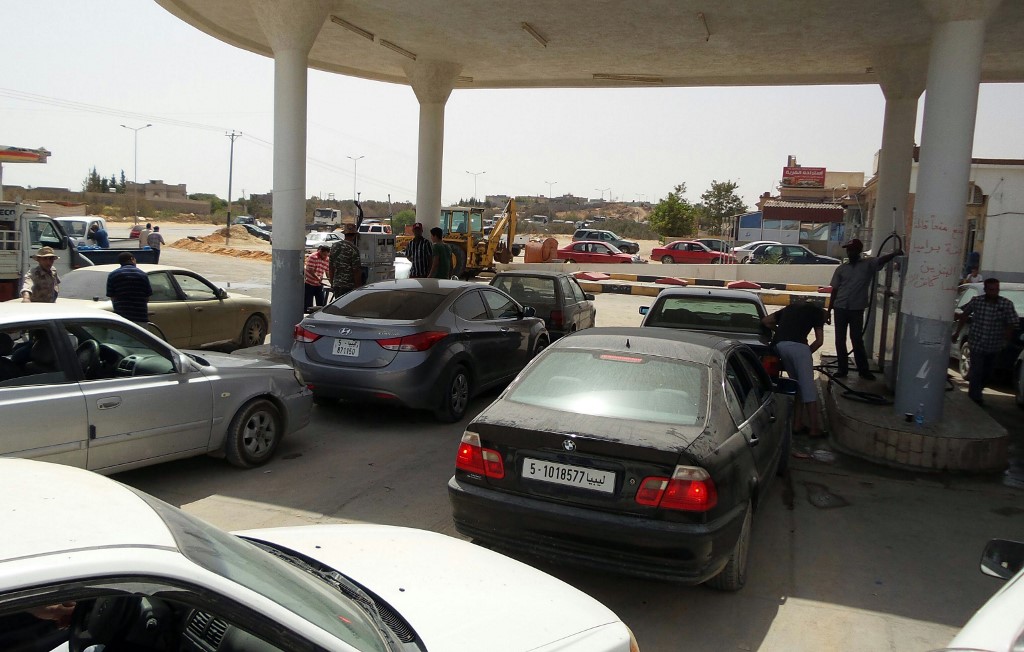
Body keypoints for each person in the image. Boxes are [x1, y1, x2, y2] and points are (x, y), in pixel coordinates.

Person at [828, 238, 903, 379]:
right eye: (848, 250)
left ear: (859, 251)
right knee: (840, 340)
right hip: (840, 308)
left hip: (857, 309)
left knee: (856, 339)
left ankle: (863, 370)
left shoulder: (868, 265)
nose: (850, 253)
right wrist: (829, 310)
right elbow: (835, 290)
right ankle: (842, 369)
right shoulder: (841, 269)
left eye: (853, 250)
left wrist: (894, 254)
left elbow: (881, 260)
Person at [762, 301, 828, 438]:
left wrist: (780, 332)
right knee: (808, 388)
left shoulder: (790, 308)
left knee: (798, 385)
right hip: (799, 348)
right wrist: (807, 353)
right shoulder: (818, 313)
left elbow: (766, 321)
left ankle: (797, 424)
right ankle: (815, 429)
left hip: (780, 345)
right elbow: (819, 341)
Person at [952, 277, 1019, 405]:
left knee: (988, 372)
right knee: (976, 370)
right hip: (977, 342)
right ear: (986, 290)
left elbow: (1012, 322)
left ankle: (979, 389)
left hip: (994, 344)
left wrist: (1006, 339)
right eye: (991, 289)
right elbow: (964, 315)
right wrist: (956, 333)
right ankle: (975, 397)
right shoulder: (977, 301)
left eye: (996, 289)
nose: (994, 292)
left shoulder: (1006, 304)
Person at [106, 252, 153, 323]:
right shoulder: (142, 274)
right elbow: (147, 296)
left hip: (121, 318)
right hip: (140, 317)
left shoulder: (113, 275)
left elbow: (112, 296)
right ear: (132, 259)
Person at [327, 223, 363, 299]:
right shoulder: (354, 249)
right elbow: (356, 270)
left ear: (344, 234)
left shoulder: (334, 246)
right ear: (355, 235)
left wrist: (333, 284)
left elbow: (331, 267)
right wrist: (358, 288)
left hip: (337, 284)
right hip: (349, 286)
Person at [304, 244, 331, 310]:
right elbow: (310, 270)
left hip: (319, 284)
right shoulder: (313, 257)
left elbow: (327, 272)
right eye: (324, 254)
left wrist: (331, 282)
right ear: (320, 252)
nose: (325, 256)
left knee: (321, 303)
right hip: (309, 283)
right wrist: (317, 278)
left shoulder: (327, 259)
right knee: (308, 304)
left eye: (326, 255)